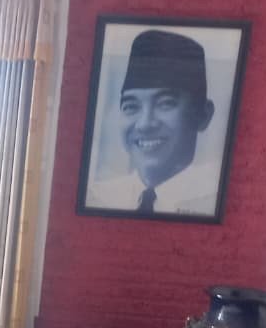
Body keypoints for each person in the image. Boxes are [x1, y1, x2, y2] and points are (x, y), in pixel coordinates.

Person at [85, 28, 220, 216]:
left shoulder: (213, 201)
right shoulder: (98, 197)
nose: (145, 124)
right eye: (131, 106)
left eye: (165, 103)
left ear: (203, 115)